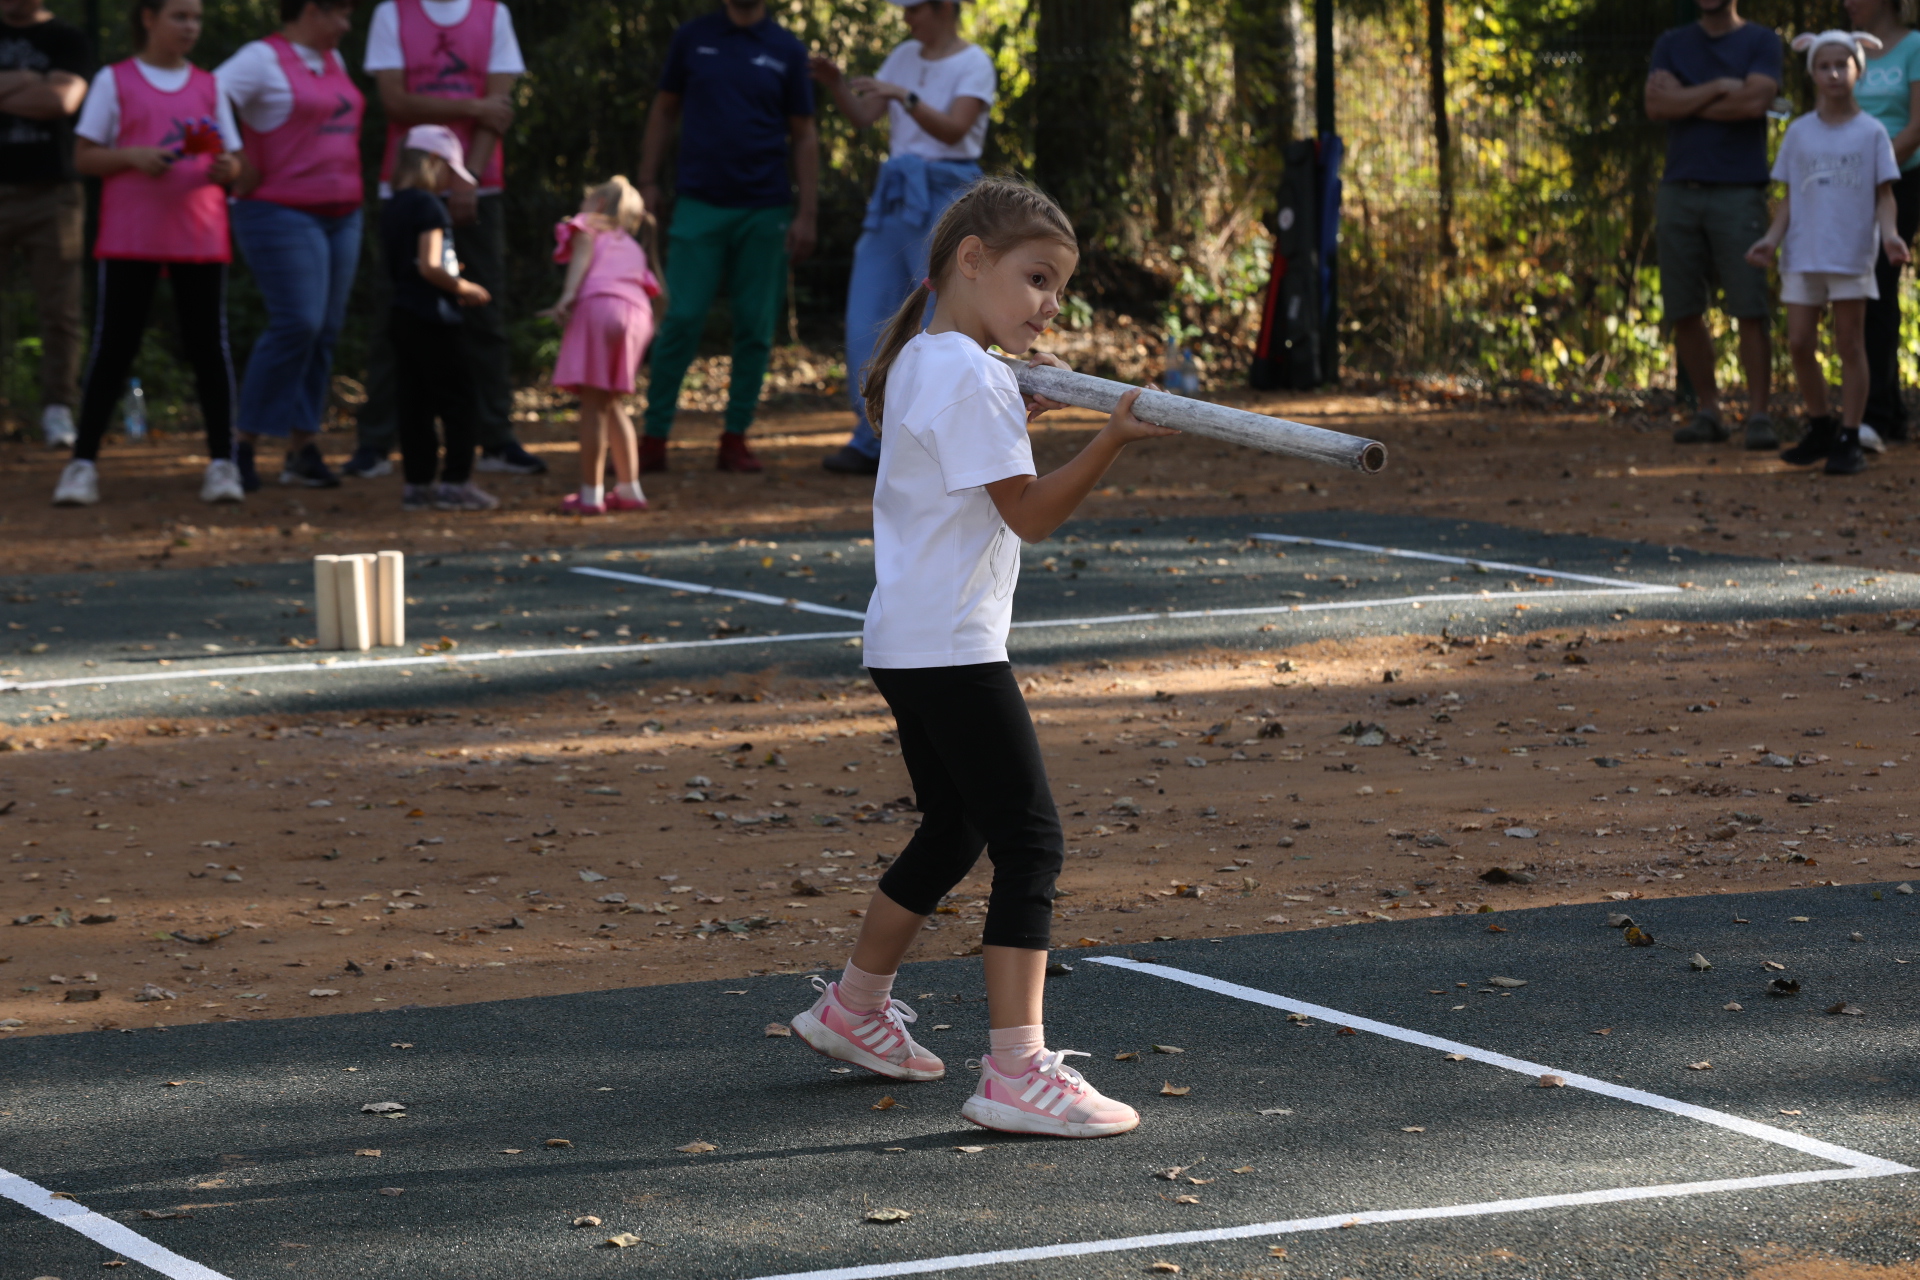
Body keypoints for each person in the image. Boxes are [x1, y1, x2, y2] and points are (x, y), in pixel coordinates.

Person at [784, 178, 1171, 1139]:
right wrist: (1113, 438)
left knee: (955, 829)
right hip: (953, 649)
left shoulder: (934, 359)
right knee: (1030, 843)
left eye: (1058, 288)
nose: (1050, 305)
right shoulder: (971, 375)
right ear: (971, 260)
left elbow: (964, 481)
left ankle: (854, 1008)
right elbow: (1028, 515)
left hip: (908, 641)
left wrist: (1020, 414)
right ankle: (1016, 1070)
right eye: (1037, 279)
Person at [342, 0, 545, 480]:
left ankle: (495, 438)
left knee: (484, 316)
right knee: (395, 312)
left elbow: (499, 111)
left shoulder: (493, 15)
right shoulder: (393, 13)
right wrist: (472, 105)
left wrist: (466, 177)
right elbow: (397, 103)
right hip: (406, 191)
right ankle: (376, 442)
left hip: (478, 190)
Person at [52, 0, 243, 508]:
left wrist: (228, 168)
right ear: (148, 18)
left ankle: (223, 463)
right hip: (131, 234)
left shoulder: (210, 85)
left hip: (199, 234)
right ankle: (82, 464)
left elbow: (235, 160)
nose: (190, 27)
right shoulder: (114, 80)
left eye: (196, 17)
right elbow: (84, 156)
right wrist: (131, 157)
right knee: (115, 346)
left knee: (208, 347)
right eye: (179, 16)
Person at [811, 0, 995, 477]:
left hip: (948, 194)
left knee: (941, 315)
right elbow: (863, 116)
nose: (907, 18)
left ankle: (937, 438)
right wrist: (836, 83)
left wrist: (905, 96)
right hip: (896, 192)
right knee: (868, 311)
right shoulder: (903, 55)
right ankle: (872, 434)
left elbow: (955, 131)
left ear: (944, 7)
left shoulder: (974, 62)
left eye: (914, 9)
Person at [635, 0, 818, 475]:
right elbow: (664, 109)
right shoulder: (692, 38)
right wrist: (647, 180)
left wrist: (807, 213)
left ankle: (735, 437)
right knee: (679, 317)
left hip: (765, 207)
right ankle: (653, 437)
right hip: (698, 203)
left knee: (755, 326)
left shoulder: (787, 49)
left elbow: (804, 134)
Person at [217, 0, 364, 492]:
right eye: (337, 14)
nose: (346, 25)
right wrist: (236, 156)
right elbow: (206, 95)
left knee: (325, 330)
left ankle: (302, 447)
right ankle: (241, 444)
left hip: (343, 213)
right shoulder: (261, 58)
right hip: (278, 209)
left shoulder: (332, 59)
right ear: (308, 11)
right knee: (298, 321)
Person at [1747, 31, 1907, 477]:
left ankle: (1850, 437)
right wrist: (1771, 239)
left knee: (1850, 344)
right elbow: (1790, 198)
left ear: (1858, 69)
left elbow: (1885, 196)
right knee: (1800, 343)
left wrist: (1891, 236)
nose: (1834, 73)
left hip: (1850, 252)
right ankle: (1820, 426)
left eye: (1842, 64)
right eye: (1824, 66)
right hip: (1803, 252)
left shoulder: (1872, 132)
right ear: (1812, 72)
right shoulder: (1799, 132)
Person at [1645, 0, 1781, 449]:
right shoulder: (1671, 43)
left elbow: (1756, 102)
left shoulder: (1761, 41)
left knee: (1749, 306)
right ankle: (1708, 410)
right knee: (1683, 307)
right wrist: (1722, 87)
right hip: (1678, 189)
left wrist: (1685, 99)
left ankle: (1759, 416)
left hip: (1739, 191)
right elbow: (1655, 105)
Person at [382, 123, 497, 510]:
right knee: (459, 400)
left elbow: (410, 262)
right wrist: (463, 287)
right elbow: (430, 265)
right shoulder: (429, 206)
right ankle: (456, 483)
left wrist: (448, 274)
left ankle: (417, 484)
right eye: (448, 169)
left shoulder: (394, 204)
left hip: (403, 313)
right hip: (434, 317)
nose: (449, 180)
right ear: (432, 161)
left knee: (414, 402)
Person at [541, 175, 660, 516]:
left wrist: (567, 296)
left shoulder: (588, 226)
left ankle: (590, 496)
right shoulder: (632, 245)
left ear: (600, 204)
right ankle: (630, 490)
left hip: (600, 307)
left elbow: (581, 258)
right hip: (638, 315)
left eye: (586, 200)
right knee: (611, 402)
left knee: (592, 405)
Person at [0, 0, 89, 449]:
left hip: (53, 194)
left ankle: (58, 407)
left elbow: (61, 100)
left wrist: (14, 87)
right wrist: (28, 79)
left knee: (60, 310)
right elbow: (46, 94)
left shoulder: (67, 39)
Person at [1848, 0, 1920, 444]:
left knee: (1877, 284)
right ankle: (1887, 411)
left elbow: (1916, 126)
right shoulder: (1845, 50)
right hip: (1847, 186)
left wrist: (1873, 168)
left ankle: (1874, 413)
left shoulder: (1915, 46)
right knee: (1859, 291)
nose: (1847, 3)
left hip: (1900, 180)